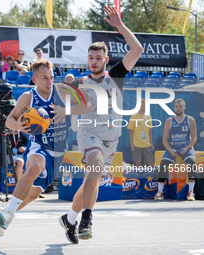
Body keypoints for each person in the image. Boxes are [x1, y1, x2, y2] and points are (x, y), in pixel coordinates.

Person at [58, 5, 143, 244]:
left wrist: (119, 26)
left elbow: (137, 49)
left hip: (111, 138)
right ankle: (87, 218)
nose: (93, 61)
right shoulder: (81, 81)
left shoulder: (116, 75)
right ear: (87, 59)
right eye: (90, 58)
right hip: (88, 133)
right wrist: (67, 86)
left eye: (98, 58)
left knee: (89, 182)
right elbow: (65, 101)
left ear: (105, 60)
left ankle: (70, 218)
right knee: (94, 167)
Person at [0, 59, 92, 237]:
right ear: (34, 79)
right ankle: (8, 212)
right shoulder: (28, 97)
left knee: (32, 195)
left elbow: (87, 105)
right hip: (39, 146)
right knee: (35, 166)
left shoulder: (62, 90)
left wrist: (67, 110)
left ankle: (6, 213)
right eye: (44, 78)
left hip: (59, 153)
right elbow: (9, 120)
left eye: (51, 77)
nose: (49, 81)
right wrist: (19, 126)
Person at [154, 98, 197, 201]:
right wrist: (169, 149)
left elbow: (194, 138)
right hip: (172, 147)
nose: (178, 108)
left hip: (185, 147)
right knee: (163, 164)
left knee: (192, 163)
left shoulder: (190, 120)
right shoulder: (169, 121)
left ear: (184, 108)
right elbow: (164, 139)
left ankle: (190, 192)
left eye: (180, 107)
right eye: (177, 107)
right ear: (174, 108)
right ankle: (160, 192)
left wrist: (187, 148)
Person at [127, 98, 155, 168]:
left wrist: (151, 143)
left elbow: (150, 131)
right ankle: (138, 178)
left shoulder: (148, 117)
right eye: (141, 106)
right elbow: (131, 131)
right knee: (138, 164)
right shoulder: (133, 116)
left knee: (151, 163)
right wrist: (131, 144)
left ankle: (153, 177)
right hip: (137, 145)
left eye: (144, 106)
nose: (142, 108)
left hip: (147, 144)